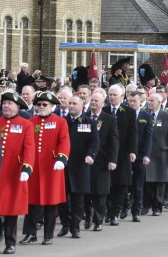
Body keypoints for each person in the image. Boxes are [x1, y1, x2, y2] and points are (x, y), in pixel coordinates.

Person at [20, 91, 70, 246]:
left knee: (51, 204)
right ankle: (30, 233)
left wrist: (62, 158)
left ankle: (48, 235)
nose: (41, 107)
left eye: (44, 105)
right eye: (38, 104)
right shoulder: (31, 121)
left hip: (52, 168)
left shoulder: (60, 122)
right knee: (31, 203)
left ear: (52, 106)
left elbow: (64, 142)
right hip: (33, 168)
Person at [0, 92, 35, 254]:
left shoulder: (26, 125)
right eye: (4, 103)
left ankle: (10, 242)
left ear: (18, 106)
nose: (6, 106)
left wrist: (27, 168)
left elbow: (29, 148)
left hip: (14, 172)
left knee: (11, 209)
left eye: (10, 103)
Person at [57, 95, 99, 238]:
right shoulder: (62, 122)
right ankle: (65, 224)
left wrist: (91, 155)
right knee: (62, 199)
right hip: (63, 165)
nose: (71, 106)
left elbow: (94, 142)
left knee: (78, 199)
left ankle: (75, 227)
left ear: (82, 106)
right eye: (70, 103)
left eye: (74, 103)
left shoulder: (89, 122)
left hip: (81, 165)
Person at [102, 84, 137, 226]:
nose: (111, 97)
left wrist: (133, 151)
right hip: (106, 153)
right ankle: (108, 211)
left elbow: (133, 133)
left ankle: (115, 213)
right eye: (110, 95)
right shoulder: (104, 111)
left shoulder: (129, 112)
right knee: (107, 185)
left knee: (121, 185)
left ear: (122, 97)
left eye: (114, 95)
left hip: (123, 154)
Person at [85, 92, 119, 231]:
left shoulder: (110, 119)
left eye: (96, 100)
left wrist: (113, 160)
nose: (93, 103)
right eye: (91, 100)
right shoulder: (84, 118)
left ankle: (98, 220)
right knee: (86, 192)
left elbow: (114, 141)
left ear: (102, 103)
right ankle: (87, 217)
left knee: (100, 193)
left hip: (102, 161)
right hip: (86, 161)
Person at [142, 93, 168, 216]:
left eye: (152, 101)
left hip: (162, 154)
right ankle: (145, 205)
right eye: (148, 100)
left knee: (160, 182)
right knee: (146, 181)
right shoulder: (144, 115)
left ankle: (157, 207)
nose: (149, 103)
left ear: (159, 103)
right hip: (147, 153)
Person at [127, 91, 153, 222]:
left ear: (140, 102)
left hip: (140, 155)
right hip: (125, 155)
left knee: (138, 184)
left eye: (134, 101)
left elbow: (148, 137)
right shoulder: (123, 114)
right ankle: (123, 206)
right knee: (124, 183)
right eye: (130, 101)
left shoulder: (146, 116)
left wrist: (147, 155)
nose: (132, 104)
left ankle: (136, 210)